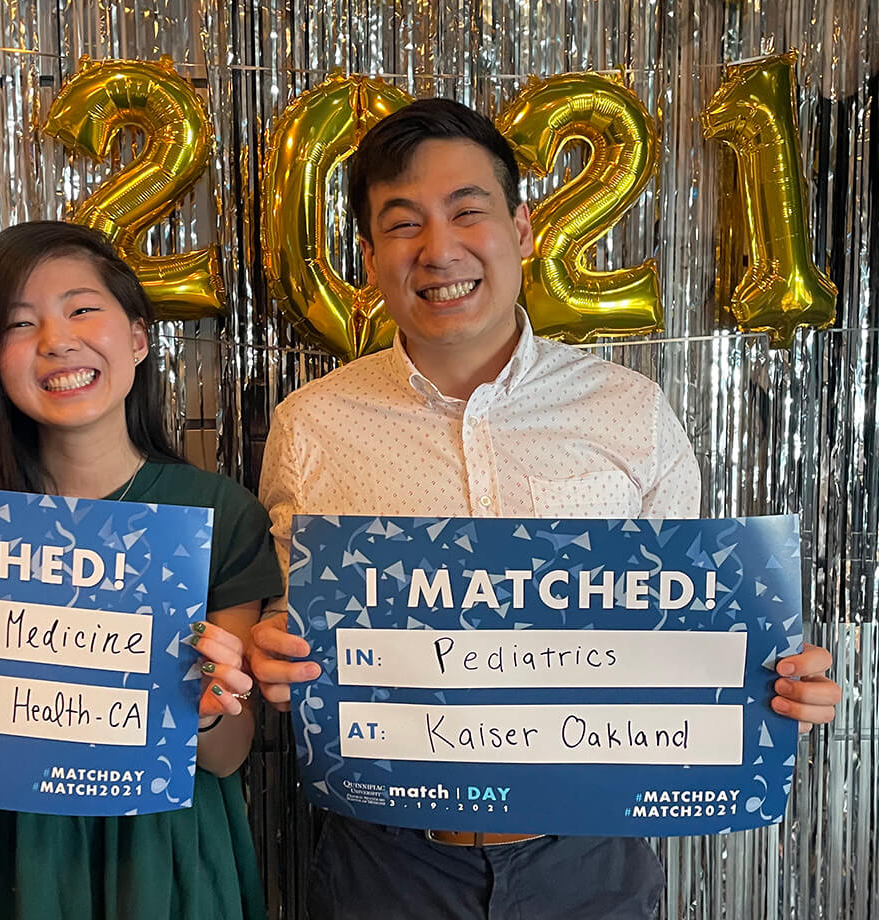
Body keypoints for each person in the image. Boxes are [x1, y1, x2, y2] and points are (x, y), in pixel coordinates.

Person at [249, 99, 843, 919]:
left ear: (523, 229)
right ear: (370, 254)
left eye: (468, 212)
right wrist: (272, 656)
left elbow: (699, 636)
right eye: (402, 223)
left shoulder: (629, 410)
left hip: (590, 864)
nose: (439, 249)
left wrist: (775, 687)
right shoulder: (310, 426)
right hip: (384, 862)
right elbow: (293, 627)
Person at [0, 221, 282, 920]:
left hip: (158, 850)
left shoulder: (220, 514)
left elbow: (228, 755)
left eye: (81, 309)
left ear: (137, 337)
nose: (56, 340)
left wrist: (204, 710)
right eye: (19, 323)